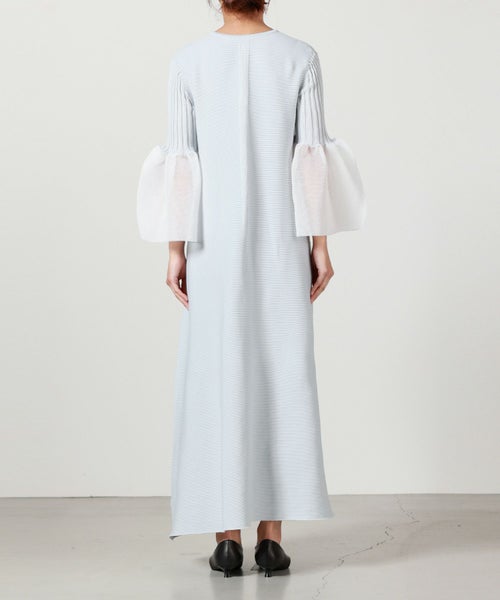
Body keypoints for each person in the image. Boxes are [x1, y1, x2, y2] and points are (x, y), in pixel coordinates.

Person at [137, 0, 366, 577]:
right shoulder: (300, 57)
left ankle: (225, 538)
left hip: (212, 245)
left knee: (218, 376)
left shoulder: (188, 61)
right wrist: (319, 245)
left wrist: (174, 250)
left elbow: (182, 161)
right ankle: (271, 539)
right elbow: (308, 160)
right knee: (280, 374)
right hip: (279, 241)